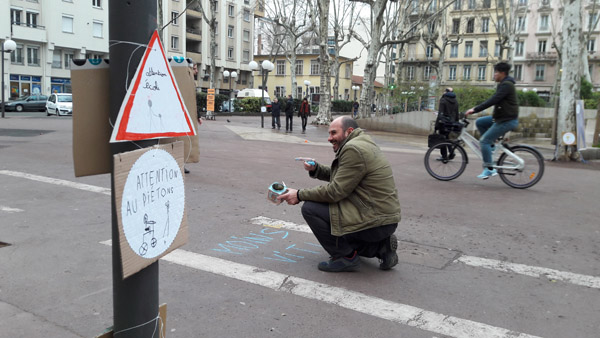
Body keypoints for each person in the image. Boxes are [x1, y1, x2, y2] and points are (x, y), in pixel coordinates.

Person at [277, 116, 401, 272]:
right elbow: (345, 178)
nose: (329, 138)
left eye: (334, 133)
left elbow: (335, 191)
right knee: (339, 226)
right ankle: (381, 248)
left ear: (349, 131)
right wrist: (316, 170)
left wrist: (299, 194)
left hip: (374, 219)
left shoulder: (353, 149)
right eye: (329, 133)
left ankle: (346, 257)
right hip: (383, 218)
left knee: (311, 209)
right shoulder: (363, 143)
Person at [465, 62, 519, 179]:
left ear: (502, 73)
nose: (494, 75)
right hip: (502, 118)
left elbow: (493, 100)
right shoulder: (503, 84)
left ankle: (489, 169)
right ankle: (492, 146)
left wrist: (475, 109)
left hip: (507, 120)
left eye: (496, 72)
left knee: (483, 141)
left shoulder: (507, 85)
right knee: (480, 122)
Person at [435, 88, 459, 160]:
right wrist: (456, 122)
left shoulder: (443, 100)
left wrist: (436, 125)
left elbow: (440, 114)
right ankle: (451, 152)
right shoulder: (455, 101)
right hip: (452, 122)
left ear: (446, 92)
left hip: (443, 122)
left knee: (442, 139)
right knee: (448, 138)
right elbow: (457, 113)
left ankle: (444, 156)